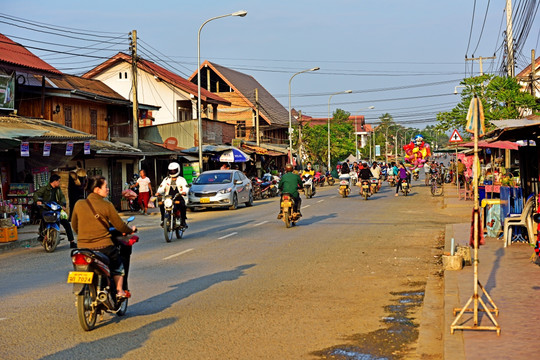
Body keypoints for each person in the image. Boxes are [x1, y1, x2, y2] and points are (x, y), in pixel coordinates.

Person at [71, 175, 136, 299]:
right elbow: (120, 226)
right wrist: (130, 230)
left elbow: (75, 226)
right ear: (96, 189)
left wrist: (85, 235)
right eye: (105, 187)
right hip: (104, 247)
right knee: (118, 265)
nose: (107, 189)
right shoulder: (107, 205)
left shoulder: (79, 204)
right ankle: (119, 291)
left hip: (83, 248)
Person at [33, 174, 76, 248]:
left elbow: (62, 197)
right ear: (54, 181)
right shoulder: (45, 189)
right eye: (58, 181)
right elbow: (36, 194)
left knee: (66, 223)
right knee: (43, 220)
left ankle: (72, 242)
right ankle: (42, 235)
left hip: (56, 209)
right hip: (46, 209)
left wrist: (63, 204)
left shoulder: (58, 189)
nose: (59, 183)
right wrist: (37, 201)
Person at [155, 162, 188, 228]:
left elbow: (186, 187)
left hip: (179, 197)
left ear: (178, 170)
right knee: (161, 204)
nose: (172, 172)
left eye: (174, 170)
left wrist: (184, 192)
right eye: (171, 171)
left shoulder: (182, 179)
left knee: (182, 205)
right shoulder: (166, 179)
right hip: (168, 198)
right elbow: (161, 187)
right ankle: (163, 219)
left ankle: (183, 221)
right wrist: (158, 192)